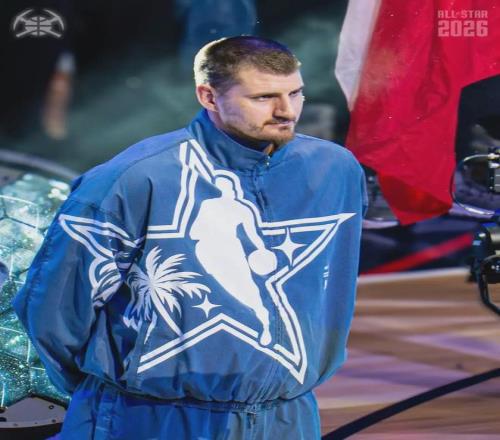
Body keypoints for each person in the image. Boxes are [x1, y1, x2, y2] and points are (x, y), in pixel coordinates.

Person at [13, 36, 367, 439]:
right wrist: (107, 388)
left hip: (287, 417)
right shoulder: (132, 178)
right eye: (264, 97)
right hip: (148, 417)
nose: (287, 110)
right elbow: (54, 309)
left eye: (295, 93)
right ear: (208, 96)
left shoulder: (335, 170)